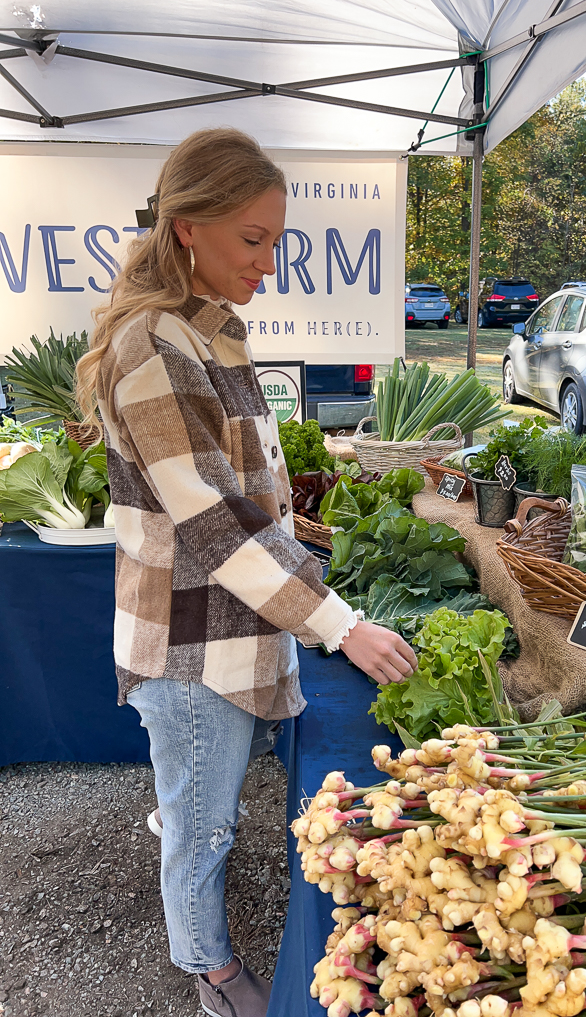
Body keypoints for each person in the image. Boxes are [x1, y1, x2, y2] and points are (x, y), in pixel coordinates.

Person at [75, 128, 418, 1017]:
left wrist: (313, 569)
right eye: (251, 239)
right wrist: (341, 622)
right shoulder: (154, 347)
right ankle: (209, 970)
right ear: (187, 226)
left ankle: (179, 816)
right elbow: (220, 530)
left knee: (200, 803)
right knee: (205, 829)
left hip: (232, 630)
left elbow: (250, 497)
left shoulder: (208, 332)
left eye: (276, 239)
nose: (268, 261)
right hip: (193, 647)